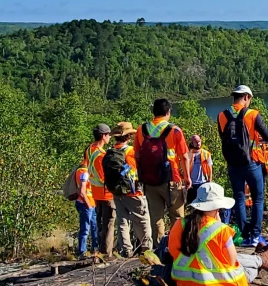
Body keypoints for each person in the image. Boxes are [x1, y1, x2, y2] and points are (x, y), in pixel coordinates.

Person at [168, 182, 268, 286]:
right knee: (246, 270)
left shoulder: (179, 224)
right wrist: (219, 224)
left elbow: (173, 252)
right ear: (217, 208)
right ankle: (260, 260)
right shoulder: (220, 230)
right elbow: (232, 260)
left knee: (223, 257)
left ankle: (260, 259)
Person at [217, 85, 268, 243]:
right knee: (258, 198)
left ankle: (244, 236)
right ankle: (255, 236)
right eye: (250, 99)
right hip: (251, 163)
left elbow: (223, 138)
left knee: (239, 198)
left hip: (233, 164)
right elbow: (267, 136)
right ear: (246, 97)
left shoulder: (221, 116)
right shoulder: (252, 114)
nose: (250, 102)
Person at [135, 99, 190, 242]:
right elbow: (184, 157)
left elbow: (136, 155)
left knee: (156, 219)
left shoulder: (141, 130)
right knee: (177, 217)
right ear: (168, 112)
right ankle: (178, 249)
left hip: (149, 181)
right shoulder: (174, 130)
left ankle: (159, 251)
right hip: (172, 179)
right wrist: (187, 178)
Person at [102, 122, 153, 258]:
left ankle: (126, 250)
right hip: (133, 191)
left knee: (123, 221)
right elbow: (137, 170)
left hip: (117, 192)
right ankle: (146, 249)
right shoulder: (130, 152)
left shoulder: (111, 152)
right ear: (129, 136)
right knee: (143, 220)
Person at [81, 124, 115, 257]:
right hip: (106, 194)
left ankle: (100, 251)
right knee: (108, 225)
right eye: (108, 135)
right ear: (103, 136)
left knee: (100, 224)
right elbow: (103, 177)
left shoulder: (89, 149)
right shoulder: (101, 155)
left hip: (95, 193)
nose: (109, 138)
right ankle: (106, 253)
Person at [73, 161, 96, 258]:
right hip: (86, 204)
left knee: (94, 227)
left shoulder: (80, 170)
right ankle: (82, 252)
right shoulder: (84, 172)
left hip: (90, 204)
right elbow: (82, 192)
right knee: (86, 228)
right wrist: (88, 204)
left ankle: (95, 250)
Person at [185, 134, 214, 209]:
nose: (198, 143)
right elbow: (185, 168)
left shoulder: (206, 154)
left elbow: (210, 167)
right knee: (191, 205)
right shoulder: (188, 154)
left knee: (203, 205)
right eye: (195, 141)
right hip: (191, 184)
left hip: (203, 183)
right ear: (192, 143)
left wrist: (209, 180)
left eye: (199, 141)